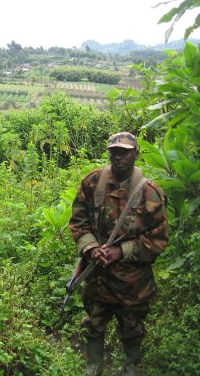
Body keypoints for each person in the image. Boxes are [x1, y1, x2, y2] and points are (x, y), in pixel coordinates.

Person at [68, 132, 168, 376]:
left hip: (132, 282)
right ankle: (93, 365)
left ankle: (130, 365)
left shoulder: (150, 192)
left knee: (132, 327)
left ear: (135, 153)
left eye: (124, 151)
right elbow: (79, 222)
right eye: (114, 151)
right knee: (93, 323)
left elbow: (158, 239)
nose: (118, 156)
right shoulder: (93, 182)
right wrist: (91, 248)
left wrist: (120, 251)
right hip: (98, 277)